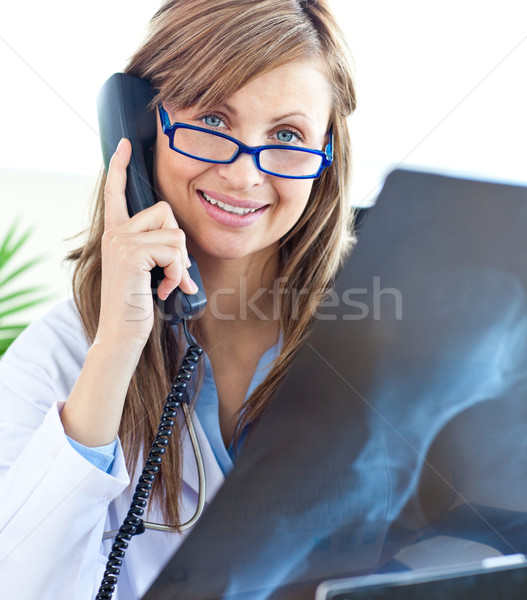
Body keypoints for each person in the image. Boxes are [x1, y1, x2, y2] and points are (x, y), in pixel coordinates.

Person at [0, 0, 357, 598]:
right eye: (214, 121)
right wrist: (116, 348)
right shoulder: (57, 358)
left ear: (325, 159)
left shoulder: (373, 345)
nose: (245, 176)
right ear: (138, 128)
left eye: (288, 134)